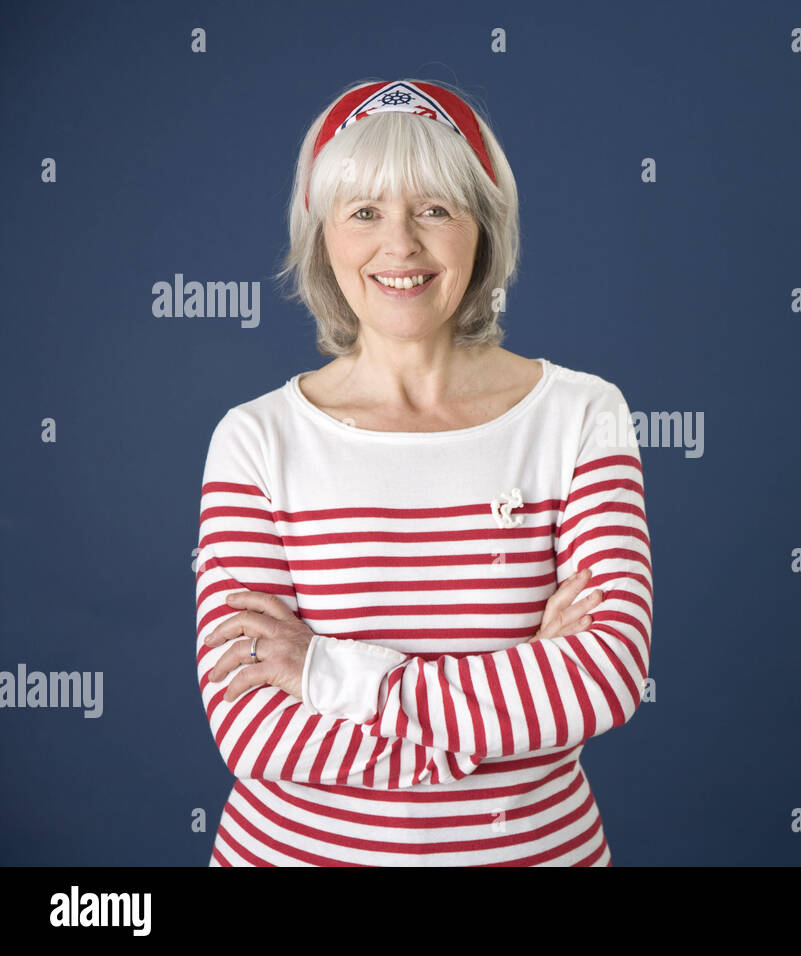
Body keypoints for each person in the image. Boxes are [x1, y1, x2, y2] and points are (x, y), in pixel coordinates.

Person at [193, 79, 653, 866]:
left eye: (435, 208)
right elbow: (254, 731)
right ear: (322, 235)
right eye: (364, 212)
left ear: (484, 228)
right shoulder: (254, 440)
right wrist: (515, 709)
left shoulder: (581, 415)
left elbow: (604, 676)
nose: (400, 245)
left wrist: (328, 673)